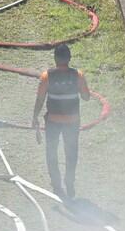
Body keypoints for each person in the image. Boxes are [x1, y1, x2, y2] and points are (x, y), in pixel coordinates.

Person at [32, 43, 91, 201]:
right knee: (71, 153)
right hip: (72, 122)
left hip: (53, 121)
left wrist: (35, 116)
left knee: (51, 152)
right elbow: (86, 97)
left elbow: (40, 99)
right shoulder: (78, 75)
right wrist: (82, 87)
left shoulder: (47, 76)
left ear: (55, 58)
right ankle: (69, 182)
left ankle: (56, 184)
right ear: (69, 58)